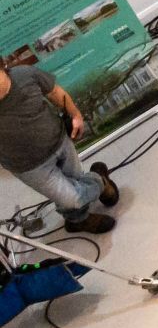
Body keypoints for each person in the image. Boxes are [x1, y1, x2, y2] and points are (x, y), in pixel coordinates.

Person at [0, 60, 110, 236]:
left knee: (76, 179)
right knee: (74, 198)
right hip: (28, 166)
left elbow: (54, 92)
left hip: (60, 141)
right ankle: (101, 181)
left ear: (3, 66)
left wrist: (76, 115)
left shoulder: (25, 75)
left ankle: (77, 220)